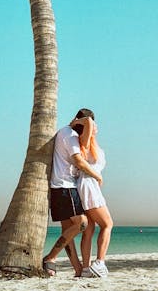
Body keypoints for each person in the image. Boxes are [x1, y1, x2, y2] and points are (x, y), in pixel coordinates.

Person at [42, 108, 103, 278]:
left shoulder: (67, 132)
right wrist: (96, 175)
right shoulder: (70, 134)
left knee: (67, 231)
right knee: (82, 224)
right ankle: (51, 257)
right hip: (65, 186)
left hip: (59, 187)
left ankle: (77, 269)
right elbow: (78, 160)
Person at [75, 115, 113, 278]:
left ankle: (85, 269)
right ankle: (99, 262)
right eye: (93, 124)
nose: (95, 126)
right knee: (107, 224)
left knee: (89, 229)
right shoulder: (85, 142)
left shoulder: (92, 144)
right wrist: (77, 122)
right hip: (88, 186)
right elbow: (88, 122)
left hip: (89, 186)